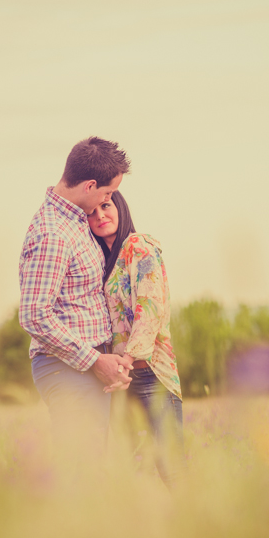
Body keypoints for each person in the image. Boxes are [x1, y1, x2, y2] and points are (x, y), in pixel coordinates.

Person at [18, 137, 134, 477]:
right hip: (67, 368)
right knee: (80, 475)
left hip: (85, 367)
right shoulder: (53, 233)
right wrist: (95, 360)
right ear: (90, 185)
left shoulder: (75, 220)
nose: (108, 201)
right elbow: (34, 315)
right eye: (108, 193)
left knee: (91, 470)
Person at [87, 190, 185, 488]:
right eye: (91, 212)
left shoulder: (139, 247)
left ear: (120, 207)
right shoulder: (104, 260)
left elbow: (150, 306)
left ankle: (198, 531)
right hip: (118, 382)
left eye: (105, 206)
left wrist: (126, 362)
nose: (100, 215)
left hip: (149, 375)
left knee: (172, 469)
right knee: (132, 470)